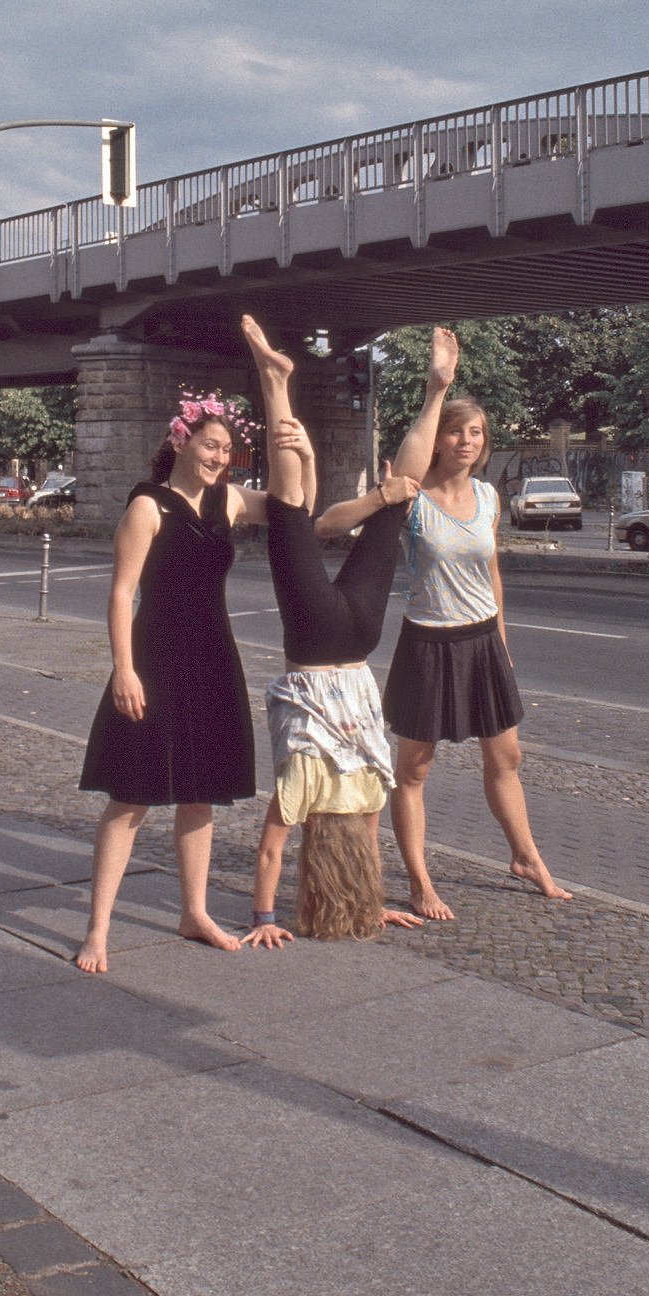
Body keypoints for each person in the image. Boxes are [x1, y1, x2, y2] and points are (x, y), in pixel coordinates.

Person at [239, 316, 424, 948]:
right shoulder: (304, 788)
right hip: (316, 647)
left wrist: (372, 907)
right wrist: (264, 919)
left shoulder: (373, 787)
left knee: (394, 507)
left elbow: (370, 847)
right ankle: (275, 384)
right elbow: (269, 854)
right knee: (289, 512)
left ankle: (434, 392)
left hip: (358, 646)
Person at [380, 327, 571, 920]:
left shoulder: (488, 497)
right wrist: (437, 389)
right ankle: (419, 882)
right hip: (428, 644)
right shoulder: (412, 497)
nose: (466, 440)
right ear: (436, 440)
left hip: (483, 641)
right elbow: (406, 471)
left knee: (506, 758)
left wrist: (503, 645)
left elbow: (491, 573)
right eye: (456, 432)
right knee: (414, 768)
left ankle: (526, 857)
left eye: (476, 432)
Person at [74, 390, 266, 974]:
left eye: (228, 450)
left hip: (212, 657)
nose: (219, 458)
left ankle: (194, 912)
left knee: (200, 790)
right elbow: (119, 593)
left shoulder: (228, 500)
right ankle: (98, 930)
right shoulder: (147, 508)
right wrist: (123, 669)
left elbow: (293, 505)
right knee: (131, 795)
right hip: (155, 658)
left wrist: (296, 447)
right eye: (211, 446)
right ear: (182, 440)